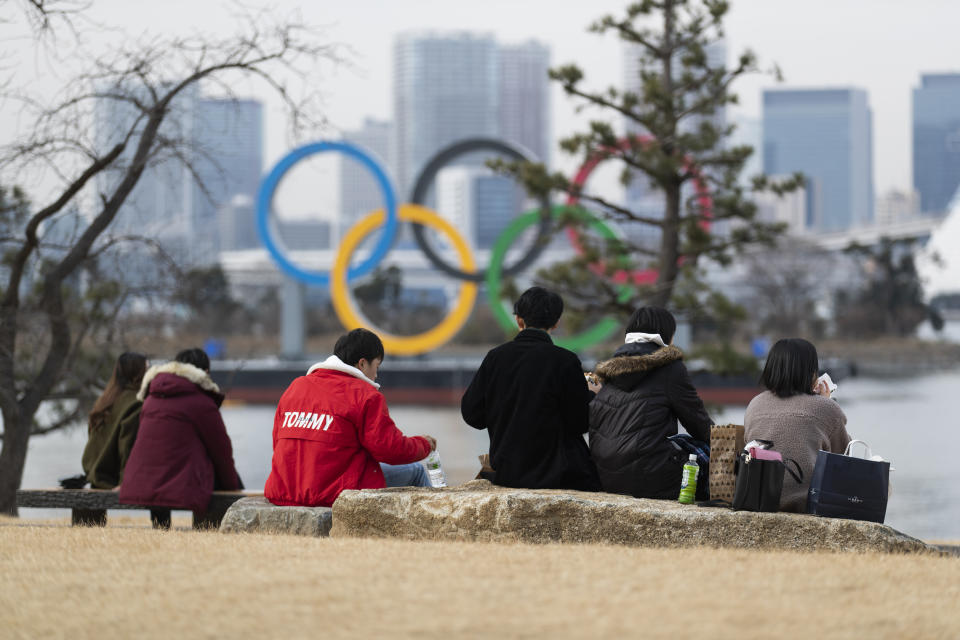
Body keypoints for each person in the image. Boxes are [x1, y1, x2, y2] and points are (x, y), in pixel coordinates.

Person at [265, 328, 436, 507]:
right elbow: (389, 449)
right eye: (376, 367)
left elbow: (277, 442)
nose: (376, 375)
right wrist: (424, 444)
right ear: (362, 364)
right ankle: (437, 527)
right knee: (416, 471)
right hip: (333, 493)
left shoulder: (296, 386)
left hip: (284, 490)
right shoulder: (365, 395)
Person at [461, 287, 601, 491]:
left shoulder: (495, 358)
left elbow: (472, 415)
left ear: (519, 320)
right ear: (556, 322)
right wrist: (590, 392)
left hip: (506, 471)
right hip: (558, 475)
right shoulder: (565, 361)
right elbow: (579, 423)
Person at [589, 306, 713, 499]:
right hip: (653, 476)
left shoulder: (608, 373)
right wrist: (730, 447)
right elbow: (698, 423)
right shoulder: (671, 368)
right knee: (701, 459)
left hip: (607, 476)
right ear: (667, 336)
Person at [120, 348, 242, 526]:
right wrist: (233, 489)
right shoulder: (201, 402)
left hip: (141, 482)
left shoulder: (151, 398)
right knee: (220, 474)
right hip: (183, 485)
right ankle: (207, 529)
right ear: (204, 372)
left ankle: (160, 529)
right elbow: (221, 451)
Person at [744, 338, 851, 512]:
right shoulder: (825, 407)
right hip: (807, 505)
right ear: (810, 372)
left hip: (759, 500)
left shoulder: (754, 404)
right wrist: (828, 402)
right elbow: (844, 457)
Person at [81, 352, 147, 489]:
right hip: (112, 480)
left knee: (90, 510)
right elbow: (127, 445)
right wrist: (126, 482)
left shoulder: (105, 400)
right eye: (146, 369)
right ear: (138, 374)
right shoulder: (136, 403)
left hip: (94, 475)